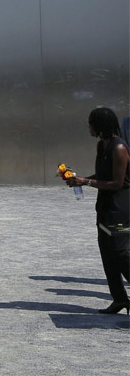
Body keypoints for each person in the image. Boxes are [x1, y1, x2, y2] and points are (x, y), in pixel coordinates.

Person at [66, 107, 129, 314]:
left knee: (121, 254)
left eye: (91, 123)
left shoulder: (119, 148)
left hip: (121, 208)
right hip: (105, 207)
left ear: (100, 125)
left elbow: (118, 183)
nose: (89, 127)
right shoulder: (102, 146)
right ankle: (120, 299)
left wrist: (87, 181)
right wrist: (80, 180)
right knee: (107, 254)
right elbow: (103, 174)